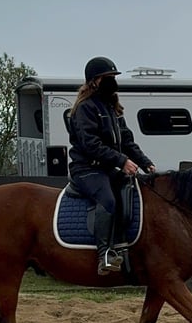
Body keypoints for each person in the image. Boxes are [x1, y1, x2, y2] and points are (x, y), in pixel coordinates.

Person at [67, 56, 156, 275]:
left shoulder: (112, 109)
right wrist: (121, 161)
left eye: (113, 77)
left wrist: (146, 163)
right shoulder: (85, 109)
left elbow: (126, 140)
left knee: (134, 189)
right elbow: (91, 144)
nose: (112, 81)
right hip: (87, 169)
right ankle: (104, 254)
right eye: (108, 77)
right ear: (94, 81)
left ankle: (126, 245)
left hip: (107, 168)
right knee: (107, 199)